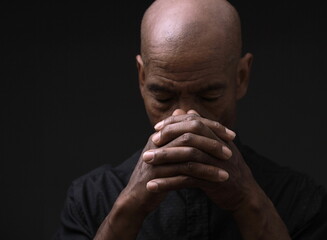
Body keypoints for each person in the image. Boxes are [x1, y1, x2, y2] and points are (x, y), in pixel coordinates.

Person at [54, 0, 327, 239]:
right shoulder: (91, 201)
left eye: (209, 96)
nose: (185, 118)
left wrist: (248, 202)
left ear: (241, 77)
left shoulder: (298, 200)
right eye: (163, 97)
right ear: (142, 78)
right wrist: (130, 207)